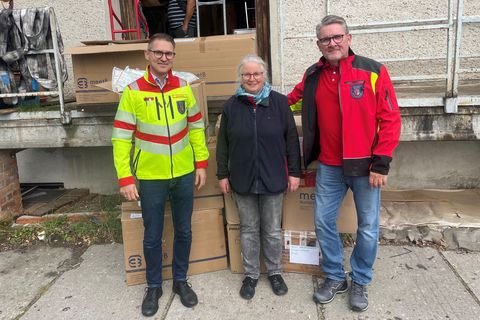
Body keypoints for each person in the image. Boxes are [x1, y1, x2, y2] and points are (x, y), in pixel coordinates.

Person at [288, 15, 401, 312]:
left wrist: (382, 163)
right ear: (318, 44)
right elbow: (291, 100)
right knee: (323, 222)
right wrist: (259, 100)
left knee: (367, 228)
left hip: (366, 167)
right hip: (329, 166)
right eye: (326, 39)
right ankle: (336, 276)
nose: (332, 43)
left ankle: (361, 279)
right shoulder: (313, 75)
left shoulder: (373, 71)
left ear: (349, 39)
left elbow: (390, 118)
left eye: (337, 37)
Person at [111, 33, 208, 317]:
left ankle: (180, 281)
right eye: (159, 53)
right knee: (152, 235)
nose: (164, 58)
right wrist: (126, 178)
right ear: (147, 54)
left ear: (174, 56)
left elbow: (196, 128)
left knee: (184, 230)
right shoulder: (133, 91)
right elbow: (120, 138)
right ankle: (154, 286)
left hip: (184, 173)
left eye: (169, 53)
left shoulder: (184, 87)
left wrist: (201, 163)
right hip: (150, 176)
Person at [216, 54, 301, 300]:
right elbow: (223, 144)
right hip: (242, 179)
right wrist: (222, 174)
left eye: (256, 74)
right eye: (247, 74)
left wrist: (294, 172)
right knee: (249, 229)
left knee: (273, 230)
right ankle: (251, 275)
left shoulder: (280, 103)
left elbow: (292, 141)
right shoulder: (231, 106)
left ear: (265, 76)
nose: (252, 78)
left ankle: (274, 272)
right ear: (241, 77)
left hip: (273, 178)